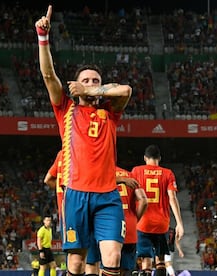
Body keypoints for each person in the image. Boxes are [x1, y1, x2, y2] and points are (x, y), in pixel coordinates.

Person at [35, 5, 132, 276]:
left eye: (96, 80)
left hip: (108, 197)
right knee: (76, 264)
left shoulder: (109, 112)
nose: (91, 83)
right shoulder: (66, 109)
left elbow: (125, 90)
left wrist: (93, 89)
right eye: (86, 80)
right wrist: (43, 38)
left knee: (112, 255)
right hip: (75, 195)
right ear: (75, 85)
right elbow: (48, 75)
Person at [131, 145, 184, 276]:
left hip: (142, 222)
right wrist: (179, 223)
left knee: (146, 260)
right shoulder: (168, 173)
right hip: (162, 224)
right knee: (161, 260)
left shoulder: (136, 171)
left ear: (145, 158)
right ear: (159, 158)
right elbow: (172, 197)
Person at [85, 167, 148, 276]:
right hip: (128, 227)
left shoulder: (97, 174)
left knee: (99, 267)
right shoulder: (129, 175)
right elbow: (143, 201)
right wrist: (134, 219)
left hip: (102, 227)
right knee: (125, 270)